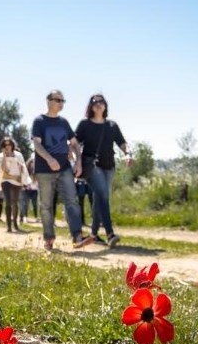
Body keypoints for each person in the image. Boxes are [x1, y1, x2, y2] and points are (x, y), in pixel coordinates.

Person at [31, 90, 93, 250]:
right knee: (46, 205)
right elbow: (37, 144)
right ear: (48, 101)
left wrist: (78, 162)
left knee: (72, 201)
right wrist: (49, 159)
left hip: (64, 169)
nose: (61, 103)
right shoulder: (39, 121)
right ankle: (49, 238)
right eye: (58, 100)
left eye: (63, 100)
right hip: (44, 170)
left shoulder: (64, 122)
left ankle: (77, 237)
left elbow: (74, 143)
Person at [75, 93, 132, 247]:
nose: (98, 104)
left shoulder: (112, 125)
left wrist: (127, 154)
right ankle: (110, 233)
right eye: (95, 102)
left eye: (101, 102)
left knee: (99, 199)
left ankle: (93, 235)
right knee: (103, 195)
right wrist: (76, 161)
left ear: (105, 105)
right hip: (92, 166)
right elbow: (74, 143)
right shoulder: (84, 125)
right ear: (91, 106)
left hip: (109, 167)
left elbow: (122, 143)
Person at [0, 137, 30, 233]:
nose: (7, 146)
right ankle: (9, 226)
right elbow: (4, 170)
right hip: (6, 181)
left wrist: (21, 174)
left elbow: (22, 168)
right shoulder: (0, 156)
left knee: (15, 203)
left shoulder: (18, 155)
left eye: (9, 144)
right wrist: (5, 156)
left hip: (17, 181)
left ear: (12, 145)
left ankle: (15, 223)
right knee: (8, 202)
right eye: (5, 145)